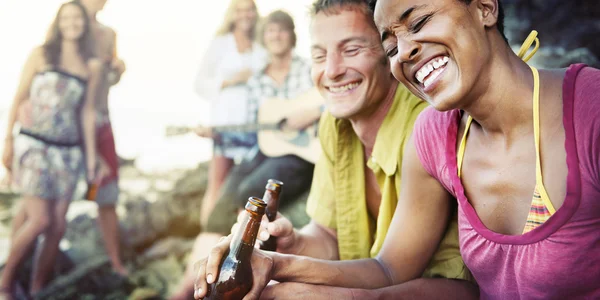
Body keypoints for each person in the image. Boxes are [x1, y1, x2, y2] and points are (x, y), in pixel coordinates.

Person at [193, 1, 476, 299]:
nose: (332, 71)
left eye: (351, 50)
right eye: (319, 55)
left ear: (388, 52)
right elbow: (330, 237)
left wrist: (280, 267)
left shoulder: (426, 125)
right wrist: (292, 242)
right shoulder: (334, 124)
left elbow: (401, 272)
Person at [170, 10, 318, 300]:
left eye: (282, 30)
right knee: (222, 203)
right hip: (266, 149)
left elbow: (333, 100)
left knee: (250, 192)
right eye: (270, 31)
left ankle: (236, 275)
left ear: (292, 35)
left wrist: (312, 113)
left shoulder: (308, 69)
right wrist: (218, 135)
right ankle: (189, 286)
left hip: (302, 154)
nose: (276, 35)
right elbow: (256, 131)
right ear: (264, 37)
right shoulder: (257, 80)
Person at [0, 1, 102, 297]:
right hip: (34, 144)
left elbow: (87, 112)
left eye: (77, 18)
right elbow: (19, 96)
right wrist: (7, 140)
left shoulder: (91, 65)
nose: (72, 23)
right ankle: (5, 283)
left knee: (57, 226)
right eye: (66, 18)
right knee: (40, 220)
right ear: (58, 22)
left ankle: (37, 287)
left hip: (69, 152)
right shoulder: (40, 54)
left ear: (84, 23)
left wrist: (91, 159)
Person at [192, 0, 267, 229]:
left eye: (250, 9)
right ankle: (206, 237)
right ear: (232, 14)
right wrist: (230, 80)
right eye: (240, 10)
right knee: (217, 184)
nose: (246, 15)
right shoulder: (220, 44)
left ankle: (235, 238)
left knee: (246, 186)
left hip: (254, 126)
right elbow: (199, 83)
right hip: (224, 124)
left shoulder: (261, 45)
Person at [78, 0, 128, 277]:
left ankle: (114, 261)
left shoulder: (109, 34)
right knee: (47, 203)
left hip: (101, 121)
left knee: (105, 193)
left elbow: (107, 80)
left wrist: (119, 70)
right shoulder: (69, 28)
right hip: (70, 124)